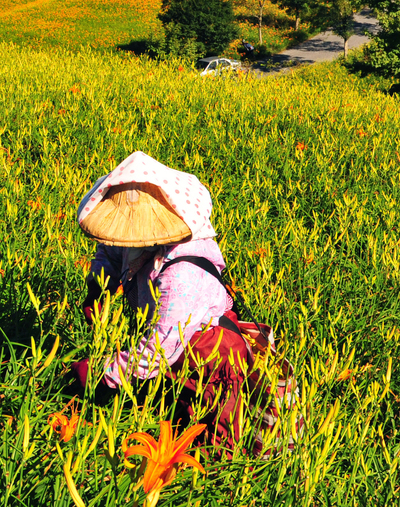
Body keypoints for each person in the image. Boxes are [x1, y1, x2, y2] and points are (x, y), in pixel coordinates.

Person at [72, 151, 260, 454]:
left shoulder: (181, 275)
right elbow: (109, 251)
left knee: (213, 442)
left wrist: (102, 375)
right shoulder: (137, 232)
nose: (126, 235)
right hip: (176, 346)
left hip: (211, 354)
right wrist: (97, 288)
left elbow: (158, 348)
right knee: (173, 415)